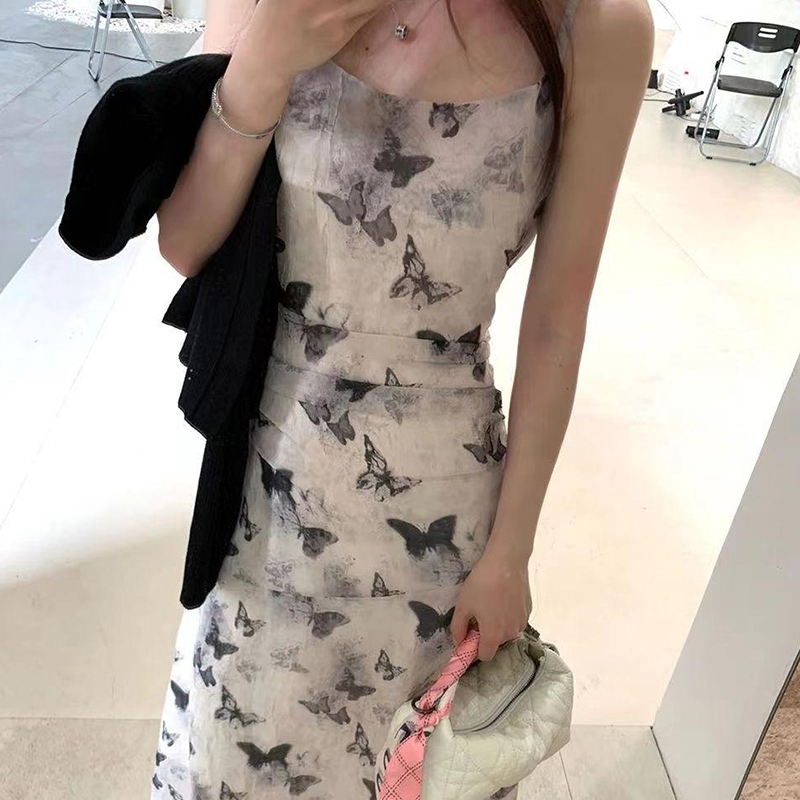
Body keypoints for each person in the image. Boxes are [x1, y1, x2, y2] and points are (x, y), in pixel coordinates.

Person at [151, 0, 654, 797]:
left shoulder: (597, 26)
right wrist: (266, 57)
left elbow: (557, 321)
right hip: (263, 493)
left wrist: (512, 552)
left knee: (405, 771)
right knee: (232, 761)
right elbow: (183, 243)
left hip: (438, 524)